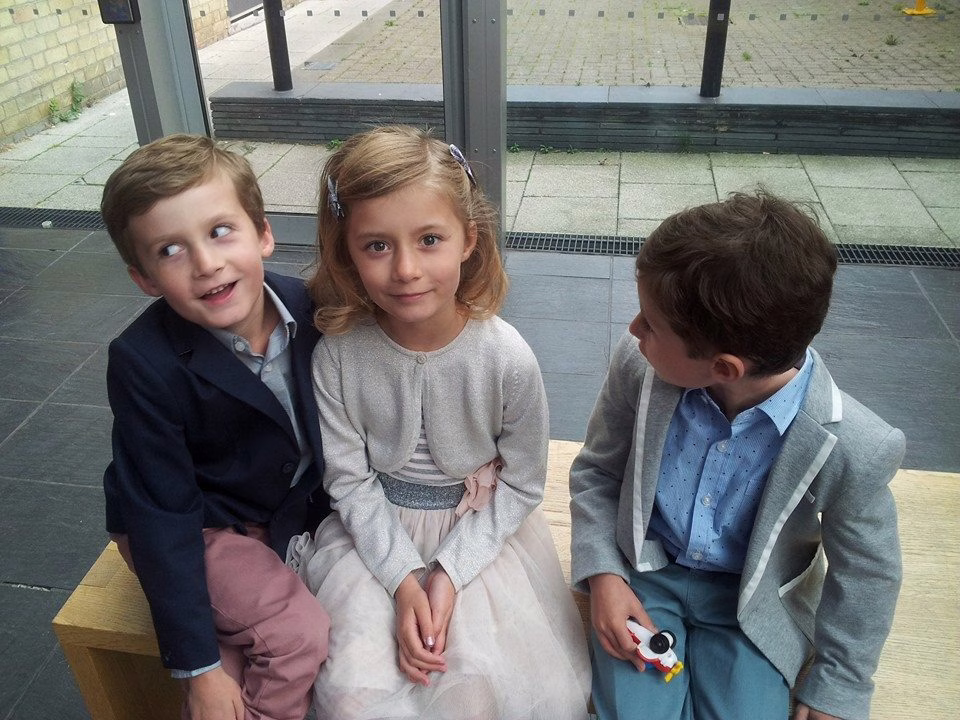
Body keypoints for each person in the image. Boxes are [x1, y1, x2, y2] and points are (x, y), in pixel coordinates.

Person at [287, 125, 591, 720]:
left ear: (468, 239)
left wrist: (447, 575)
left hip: (477, 539)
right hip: (375, 540)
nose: (405, 269)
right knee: (355, 696)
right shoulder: (339, 356)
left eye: (429, 239)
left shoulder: (505, 356)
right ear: (347, 250)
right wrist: (405, 582)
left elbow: (525, 483)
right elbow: (348, 481)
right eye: (376, 245)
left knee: (490, 691)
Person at [570, 189, 905, 720]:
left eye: (651, 325)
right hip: (646, 576)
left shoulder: (857, 445)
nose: (633, 330)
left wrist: (839, 686)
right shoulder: (639, 368)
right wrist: (604, 576)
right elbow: (597, 471)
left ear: (725, 368)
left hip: (753, 605)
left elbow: (867, 574)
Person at [100, 134, 331, 720]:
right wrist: (196, 667)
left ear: (264, 232)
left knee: (242, 650)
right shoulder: (143, 363)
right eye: (171, 251)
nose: (206, 264)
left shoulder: (312, 308)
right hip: (192, 525)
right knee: (292, 633)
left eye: (220, 231)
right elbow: (160, 511)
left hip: (274, 509)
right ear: (144, 278)